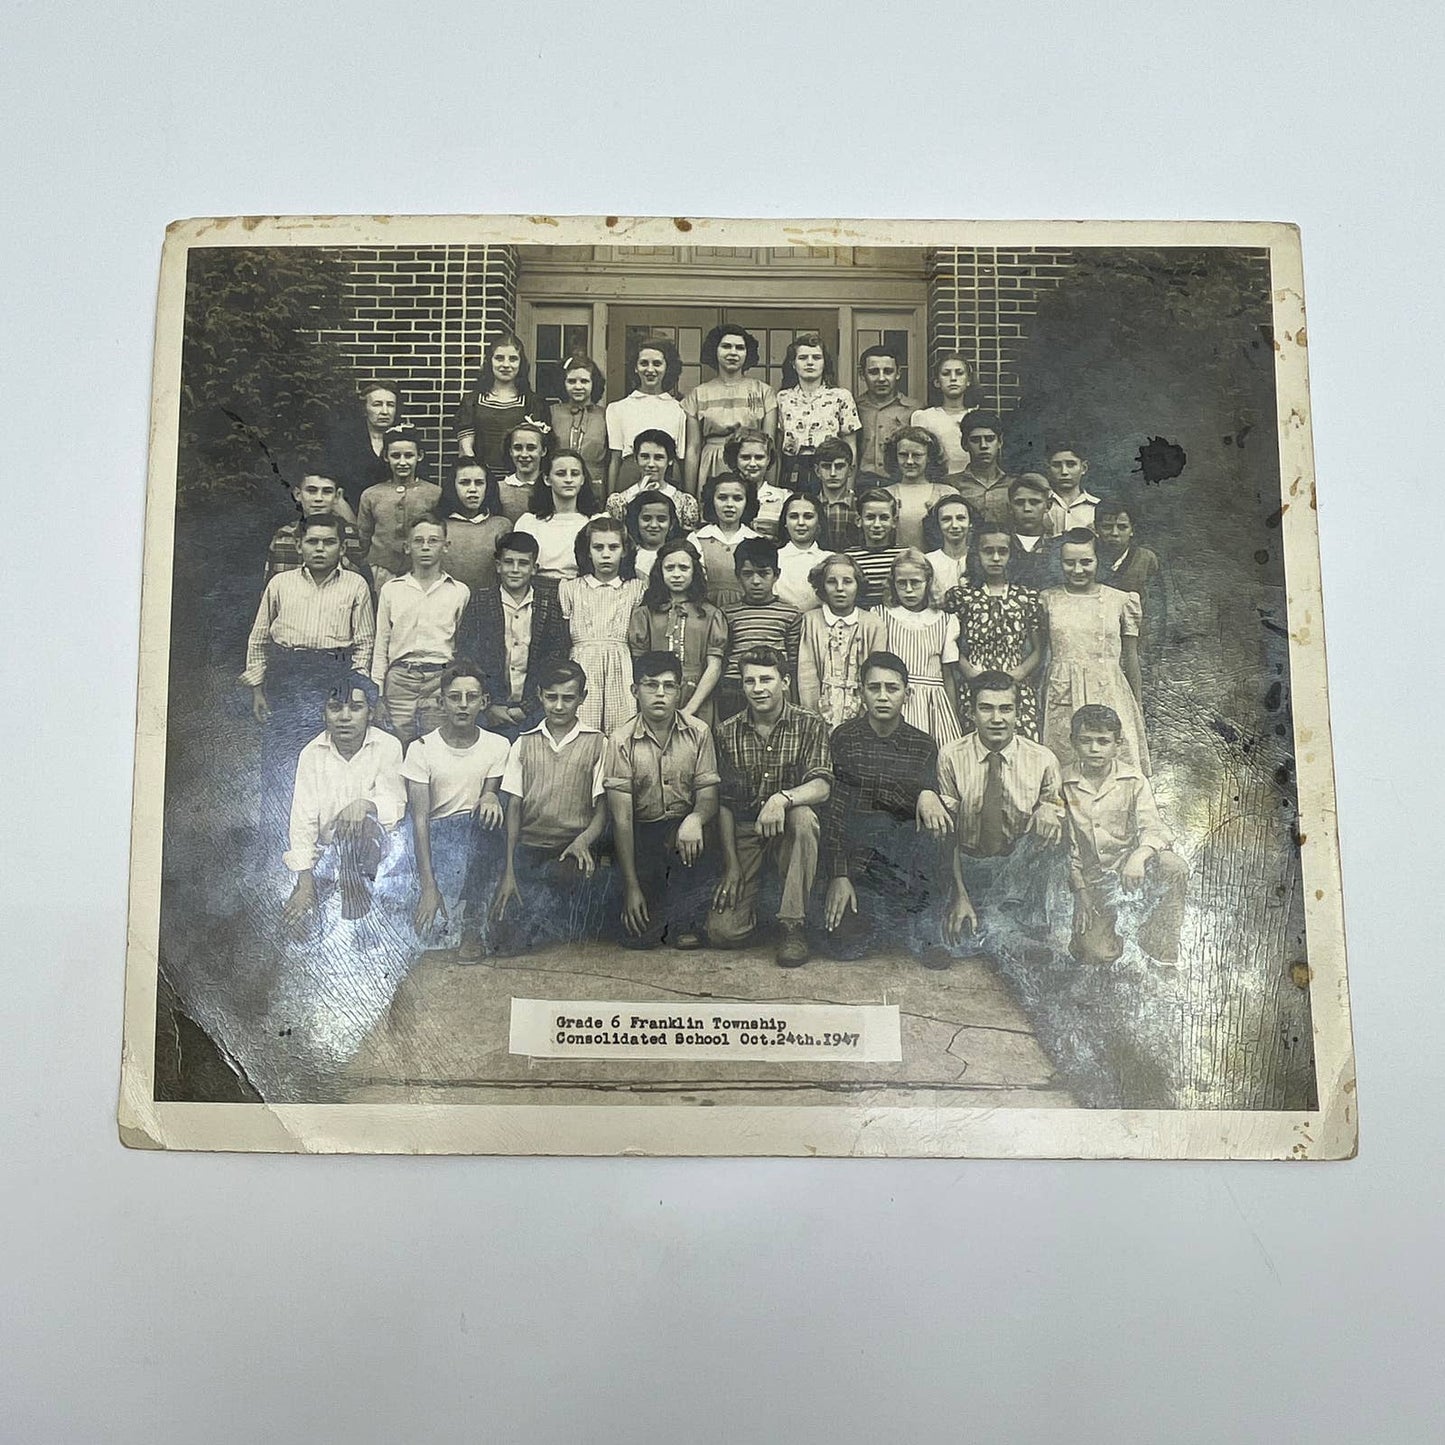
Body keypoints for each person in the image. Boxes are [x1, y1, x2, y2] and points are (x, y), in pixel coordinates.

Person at [241, 512, 377, 835]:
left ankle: (323, 838)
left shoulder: (355, 586)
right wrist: (258, 688)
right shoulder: (280, 584)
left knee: (326, 758)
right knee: (279, 759)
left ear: (342, 548)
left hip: (332, 678)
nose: (320, 549)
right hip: (287, 676)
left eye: (329, 542)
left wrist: (353, 692)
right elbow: (259, 637)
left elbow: (365, 643)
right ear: (300, 545)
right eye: (313, 542)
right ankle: (273, 838)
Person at [821, 651, 955, 965]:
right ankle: (869, 911)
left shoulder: (922, 744)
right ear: (861, 693)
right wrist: (839, 875)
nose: (883, 697)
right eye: (874, 688)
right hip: (859, 858)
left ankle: (927, 926)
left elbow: (926, 810)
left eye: (892, 689)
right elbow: (836, 811)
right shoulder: (845, 738)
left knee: (940, 823)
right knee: (843, 945)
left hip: (902, 857)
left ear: (907, 695)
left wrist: (927, 791)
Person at [707, 647, 833, 966]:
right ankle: (761, 908)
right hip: (748, 830)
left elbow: (822, 785)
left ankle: (793, 925)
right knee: (723, 933)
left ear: (785, 681)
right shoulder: (727, 731)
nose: (758, 688)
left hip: (790, 826)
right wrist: (732, 866)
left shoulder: (810, 723)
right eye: (750, 681)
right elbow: (725, 805)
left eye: (767, 679)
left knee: (804, 818)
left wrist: (782, 798)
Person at [937, 672, 1065, 957]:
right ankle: (996, 926)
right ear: (970, 712)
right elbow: (946, 836)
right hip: (969, 867)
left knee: (1056, 828)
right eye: (986, 708)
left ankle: (1006, 921)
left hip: (1016, 872)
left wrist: (1050, 809)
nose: (997, 718)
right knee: (953, 942)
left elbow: (1057, 816)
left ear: (1019, 713)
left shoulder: (1043, 759)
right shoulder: (950, 756)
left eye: (1006, 709)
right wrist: (959, 894)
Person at [491, 660, 610, 955]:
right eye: (552, 697)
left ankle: (545, 919)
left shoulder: (597, 743)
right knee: (501, 937)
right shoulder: (524, 742)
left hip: (571, 848)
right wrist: (509, 871)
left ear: (582, 698)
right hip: (529, 847)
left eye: (568, 698)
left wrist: (582, 841)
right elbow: (514, 808)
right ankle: (538, 918)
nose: (559, 706)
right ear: (540, 695)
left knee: (563, 878)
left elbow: (602, 811)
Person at [604, 651, 721, 949]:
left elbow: (708, 796)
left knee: (697, 844)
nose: (660, 694)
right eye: (650, 685)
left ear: (679, 691)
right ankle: (656, 908)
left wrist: (694, 819)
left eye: (669, 686)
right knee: (640, 937)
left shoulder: (698, 732)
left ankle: (683, 918)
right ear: (634, 691)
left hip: (685, 835)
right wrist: (631, 887)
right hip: (642, 835)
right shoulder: (621, 741)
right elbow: (622, 819)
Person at [1062, 703, 1188, 967]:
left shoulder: (1133, 780)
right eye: (1085, 741)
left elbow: (1154, 828)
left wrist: (1139, 856)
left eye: (1103, 741)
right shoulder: (1064, 783)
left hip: (1131, 871)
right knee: (1098, 955)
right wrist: (1081, 891)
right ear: (1073, 742)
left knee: (1173, 866)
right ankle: (1103, 935)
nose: (1094, 749)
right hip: (1092, 877)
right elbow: (1067, 848)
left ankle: (1160, 952)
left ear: (1117, 744)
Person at [401, 662, 509, 959]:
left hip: (478, 838)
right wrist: (427, 885)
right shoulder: (421, 749)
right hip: (439, 844)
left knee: (489, 816)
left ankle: (473, 928)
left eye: (472, 697)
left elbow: (491, 792)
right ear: (441, 701)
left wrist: (490, 796)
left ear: (484, 702)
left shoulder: (498, 745)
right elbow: (419, 821)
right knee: (417, 935)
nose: (463, 705)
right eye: (454, 697)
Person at [281, 673, 407, 926]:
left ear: (370, 713)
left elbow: (395, 805)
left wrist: (365, 804)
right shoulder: (312, 754)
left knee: (361, 828)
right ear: (323, 714)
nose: (345, 717)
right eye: (335, 708)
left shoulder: (387, 746)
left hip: (381, 852)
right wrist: (305, 882)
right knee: (297, 926)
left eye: (356, 708)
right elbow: (302, 821)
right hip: (329, 853)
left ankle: (359, 905)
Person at [1040, 529, 1149, 775]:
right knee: (1064, 769)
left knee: (1114, 767)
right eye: (1069, 562)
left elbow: (1131, 657)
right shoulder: (1047, 600)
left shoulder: (1120, 600)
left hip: (1108, 690)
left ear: (1098, 560)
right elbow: (1039, 653)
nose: (1078, 570)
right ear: (1059, 563)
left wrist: (1138, 703)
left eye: (1086, 562)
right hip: (1063, 692)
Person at [455, 530, 570, 740]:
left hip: (535, 710)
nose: (515, 570)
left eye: (523, 563)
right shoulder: (481, 601)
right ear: (498, 566)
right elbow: (467, 655)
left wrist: (528, 707)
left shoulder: (549, 603)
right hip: (490, 711)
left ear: (534, 568)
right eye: (508, 562)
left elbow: (556, 658)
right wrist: (491, 705)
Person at [371, 514, 470, 743]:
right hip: (399, 680)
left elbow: (461, 645)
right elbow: (381, 645)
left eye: (433, 541)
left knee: (435, 746)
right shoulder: (391, 590)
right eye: (418, 541)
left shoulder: (459, 592)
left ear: (446, 546)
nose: (426, 547)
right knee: (397, 745)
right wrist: (378, 693)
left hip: (440, 679)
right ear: (407, 547)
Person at [944, 523, 1046, 741]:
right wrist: (970, 672)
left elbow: (1039, 648)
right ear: (976, 554)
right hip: (975, 680)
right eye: (988, 551)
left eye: (1003, 551)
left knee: (1023, 741)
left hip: (1014, 683)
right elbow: (949, 643)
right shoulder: (961, 597)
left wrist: (1019, 673)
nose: (996, 558)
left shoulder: (1027, 597)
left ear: (1012, 555)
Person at [627, 538, 727, 725]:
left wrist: (690, 709)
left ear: (694, 571)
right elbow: (639, 664)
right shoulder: (645, 614)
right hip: (657, 694)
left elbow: (714, 666)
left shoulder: (710, 614)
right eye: (670, 568)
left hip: (698, 696)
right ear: (660, 571)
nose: (676, 574)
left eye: (683, 568)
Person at [559, 515, 646, 733]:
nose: (606, 554)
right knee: (582, 728)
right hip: (582, 665)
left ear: (624, 551)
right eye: (598, 547)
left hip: (620, 666)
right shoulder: (570, 588)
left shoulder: (636, 588)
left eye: (613, 547)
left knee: (621, 730)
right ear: (588, 551)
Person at [882, 549, 964, 746]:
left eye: (915, 582)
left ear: (928, 582)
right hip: (896, 700)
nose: (909, 590)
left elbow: (948, 675)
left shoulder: (944, 620)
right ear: (893, 584)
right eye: (902, 583)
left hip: (933, 705)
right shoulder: (881, 616)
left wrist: (951, 714)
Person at [682, 324, 778, 493]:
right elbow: (693, 448)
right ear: (715, 350)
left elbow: (769, 446)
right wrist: (689, 496)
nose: (733, 353)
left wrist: (769, 490)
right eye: (726, 346)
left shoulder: (763, 392)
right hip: (711, 464)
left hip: (751, 462)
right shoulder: (699, 394)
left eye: (740, 348)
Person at [796, 553, 887, 728]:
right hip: (820, 712)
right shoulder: (811, 620)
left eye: (847, 581)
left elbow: (875, 674)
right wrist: (812, 717)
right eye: (831, 582)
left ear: (857, 585)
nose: (840, 588)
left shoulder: (873, 623)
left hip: (862, 712)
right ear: (822, 586)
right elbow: (806, 676)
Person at [717, 538, 803, 721]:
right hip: (734, 688)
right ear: (737, 575)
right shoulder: (727, 613)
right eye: (748, 574)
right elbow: (723, 657)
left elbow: (794, 661)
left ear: (776, 574)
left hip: (774, 687)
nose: (755, 581)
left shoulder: (790, 613)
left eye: (763, 573)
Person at [355, 424, 443, 587]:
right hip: (381, 571)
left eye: (409, 455)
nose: (402, 462)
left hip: (421, 571)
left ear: (420, 456)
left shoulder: (434, 493)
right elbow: (363, 536)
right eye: (396, 456)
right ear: (386, 457)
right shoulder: (371, 495)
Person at [453, 331, 548, 478]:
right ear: (489, 361)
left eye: (513, 359)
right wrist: (479, 478)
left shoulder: (533, 402)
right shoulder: (472, 401)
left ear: (521, 363)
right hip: (480, 480)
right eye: (499, 358)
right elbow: (465, 449)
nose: (506, 365)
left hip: (520, 479)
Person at [775, 332, 860, 493]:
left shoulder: (840, 397)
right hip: (793, 470)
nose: (809, 363)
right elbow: (778, 449)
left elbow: (851, 448)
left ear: (824, 363)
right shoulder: (783, 398)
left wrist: (848, 489)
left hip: (830, 471)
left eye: (816, 357)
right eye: (803, 358)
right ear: (793, 364)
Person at [606, 336, 687, 495]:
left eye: (657, 364)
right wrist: (611, 500)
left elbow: (680, 459)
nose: (650, 370)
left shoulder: (680, 409)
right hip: (629, 477)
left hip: (668, 477)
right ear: (635, 367)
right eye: (644, 363)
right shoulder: (617, 408)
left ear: (667, 367)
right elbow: (615, 459)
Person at [263, 469, 371, 586]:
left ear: (337, 496)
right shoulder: (284, 536)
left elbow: (362, 587)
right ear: (298, 494)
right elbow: (270, 591)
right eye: (312, 491)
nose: (318, 498)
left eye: (327, 491)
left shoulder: (351, 536)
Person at [514, 448, 602, 584]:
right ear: (547, 479)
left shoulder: (596, 521)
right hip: (538, 592)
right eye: (561, 474)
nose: (568, 480)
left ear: (583, 479)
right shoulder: (529, 523)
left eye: (575, 474)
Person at [1095, 497, 1166, 657]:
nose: (1114, 533)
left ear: (1132, 530)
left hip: (1134, 639)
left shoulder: (1146, 559)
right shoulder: (1087, 558)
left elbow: (1156, 607)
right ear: (1096, 529)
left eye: (1122, 527)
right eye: (1107, 527)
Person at [323, 379, 401, 515]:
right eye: (377, 405)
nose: (384, 411)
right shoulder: (345, 442)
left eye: (390, 405)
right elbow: (335, 489)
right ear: (365, 409)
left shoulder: (404, 441)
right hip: (350, 514)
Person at [436, 459, 510, 593]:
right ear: (452, 486)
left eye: (479, 483)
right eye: (464, 483)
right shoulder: (439, 526)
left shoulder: (501, 526)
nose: (472, 490)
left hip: (488, 603)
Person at [688, 472, 760, 608]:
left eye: (737, 498)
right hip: (705, 610)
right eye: (722, 498)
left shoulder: (756, 540)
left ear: (747, 502)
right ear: (711, 500)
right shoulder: (697, 538)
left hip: (746, 612)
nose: (729, 504)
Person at [605, 428, 701, 530]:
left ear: (670, 460)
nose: (651, 464)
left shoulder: (684, 503)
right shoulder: (619, 502)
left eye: (658, 457)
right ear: (635, 459)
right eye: (645, 457)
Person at [883, 425, 957, 550]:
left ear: (928, 457)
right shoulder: (884, 495)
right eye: (903, 455)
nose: (909, 461)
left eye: (917, 455)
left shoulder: (946, 494)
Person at [855, 345, 919, 487]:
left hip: (900, 484)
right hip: (862, 484)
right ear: (861, 374)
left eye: (888, 371)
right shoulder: (852, 408)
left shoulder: (915, 410)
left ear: (898, 373)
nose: (881, 378)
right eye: (874, 372)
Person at [911, 352, 977, 482]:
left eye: (959, 373)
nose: (953, 378)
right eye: (946, 374)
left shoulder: (976, 416)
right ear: (937, 382)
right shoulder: (924, 417)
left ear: (968, 380)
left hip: (971, 484)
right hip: (936, 482)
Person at [547, 353, 609, 490]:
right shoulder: (552, 413)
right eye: (571, 381)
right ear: (563, 383)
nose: (578, 386)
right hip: (560, 484)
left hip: (595, 485)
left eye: (584, 381)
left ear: (594, 383)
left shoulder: (605, 416)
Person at [724, 428, 791, 541]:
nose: (753, 464)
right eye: (745, 457)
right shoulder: (724, 494)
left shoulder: (783, 497)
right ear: (735, 459)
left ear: (769, 459)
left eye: (759, 457)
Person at [845, 488, 905, 608]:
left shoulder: (904, 556)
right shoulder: (848, 558)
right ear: (858, 520)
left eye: (884, 518)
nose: (877, 524)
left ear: (894, 521)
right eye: (870, 517)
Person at [954, 411, 1015, 528]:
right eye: (975, 440)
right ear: (964, 444)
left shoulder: (1014, 484)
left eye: (990, 439)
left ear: (1000, 442)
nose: (983, 446)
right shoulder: (952, 485)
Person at [1004, 473, 1062, 590]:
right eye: (1019, 503)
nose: (1027, 509)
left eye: (1034, 502)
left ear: (1048, 505)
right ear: (1009, 508)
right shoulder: (1003, 545)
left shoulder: (1058, 546)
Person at [774, 491, 828, 613]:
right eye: (793, 516)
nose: (801, 523)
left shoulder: (829, 559)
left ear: (819, 522)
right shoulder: (774, 558)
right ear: (785, 523)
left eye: (808, 516)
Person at [495, 421, 552, 525]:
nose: (524, 454)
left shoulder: (552, 487)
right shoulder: (497, 489)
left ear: (543, 451)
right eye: (518, 448)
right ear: (510, 451)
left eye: (531, 448)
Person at [922, 493, 975, 604]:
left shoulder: (979, 558)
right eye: (946, 519)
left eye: (961, 518)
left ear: (970, 523)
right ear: (937, 524)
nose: (954, 525)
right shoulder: (928, 562)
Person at [624, 490, 683, 584]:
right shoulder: (627, 555)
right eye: (646, 519)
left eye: (661, 519)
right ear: (636, 521)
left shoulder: (679, 555)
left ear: (671, 524)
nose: (654, 525)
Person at [1044, 439, 1101, 535]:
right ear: (1048, 469)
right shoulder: (1039, 505)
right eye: (1057, 465)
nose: (1064, 472)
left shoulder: (1097, 507)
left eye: (1071, 465)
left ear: (1083, 468)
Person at [812, 436, 860, 550]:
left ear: (850, 470)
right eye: (826, 466)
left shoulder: (859, 507)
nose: (833, 473)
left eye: (839, 467)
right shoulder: (811, 506)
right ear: (817, 471)